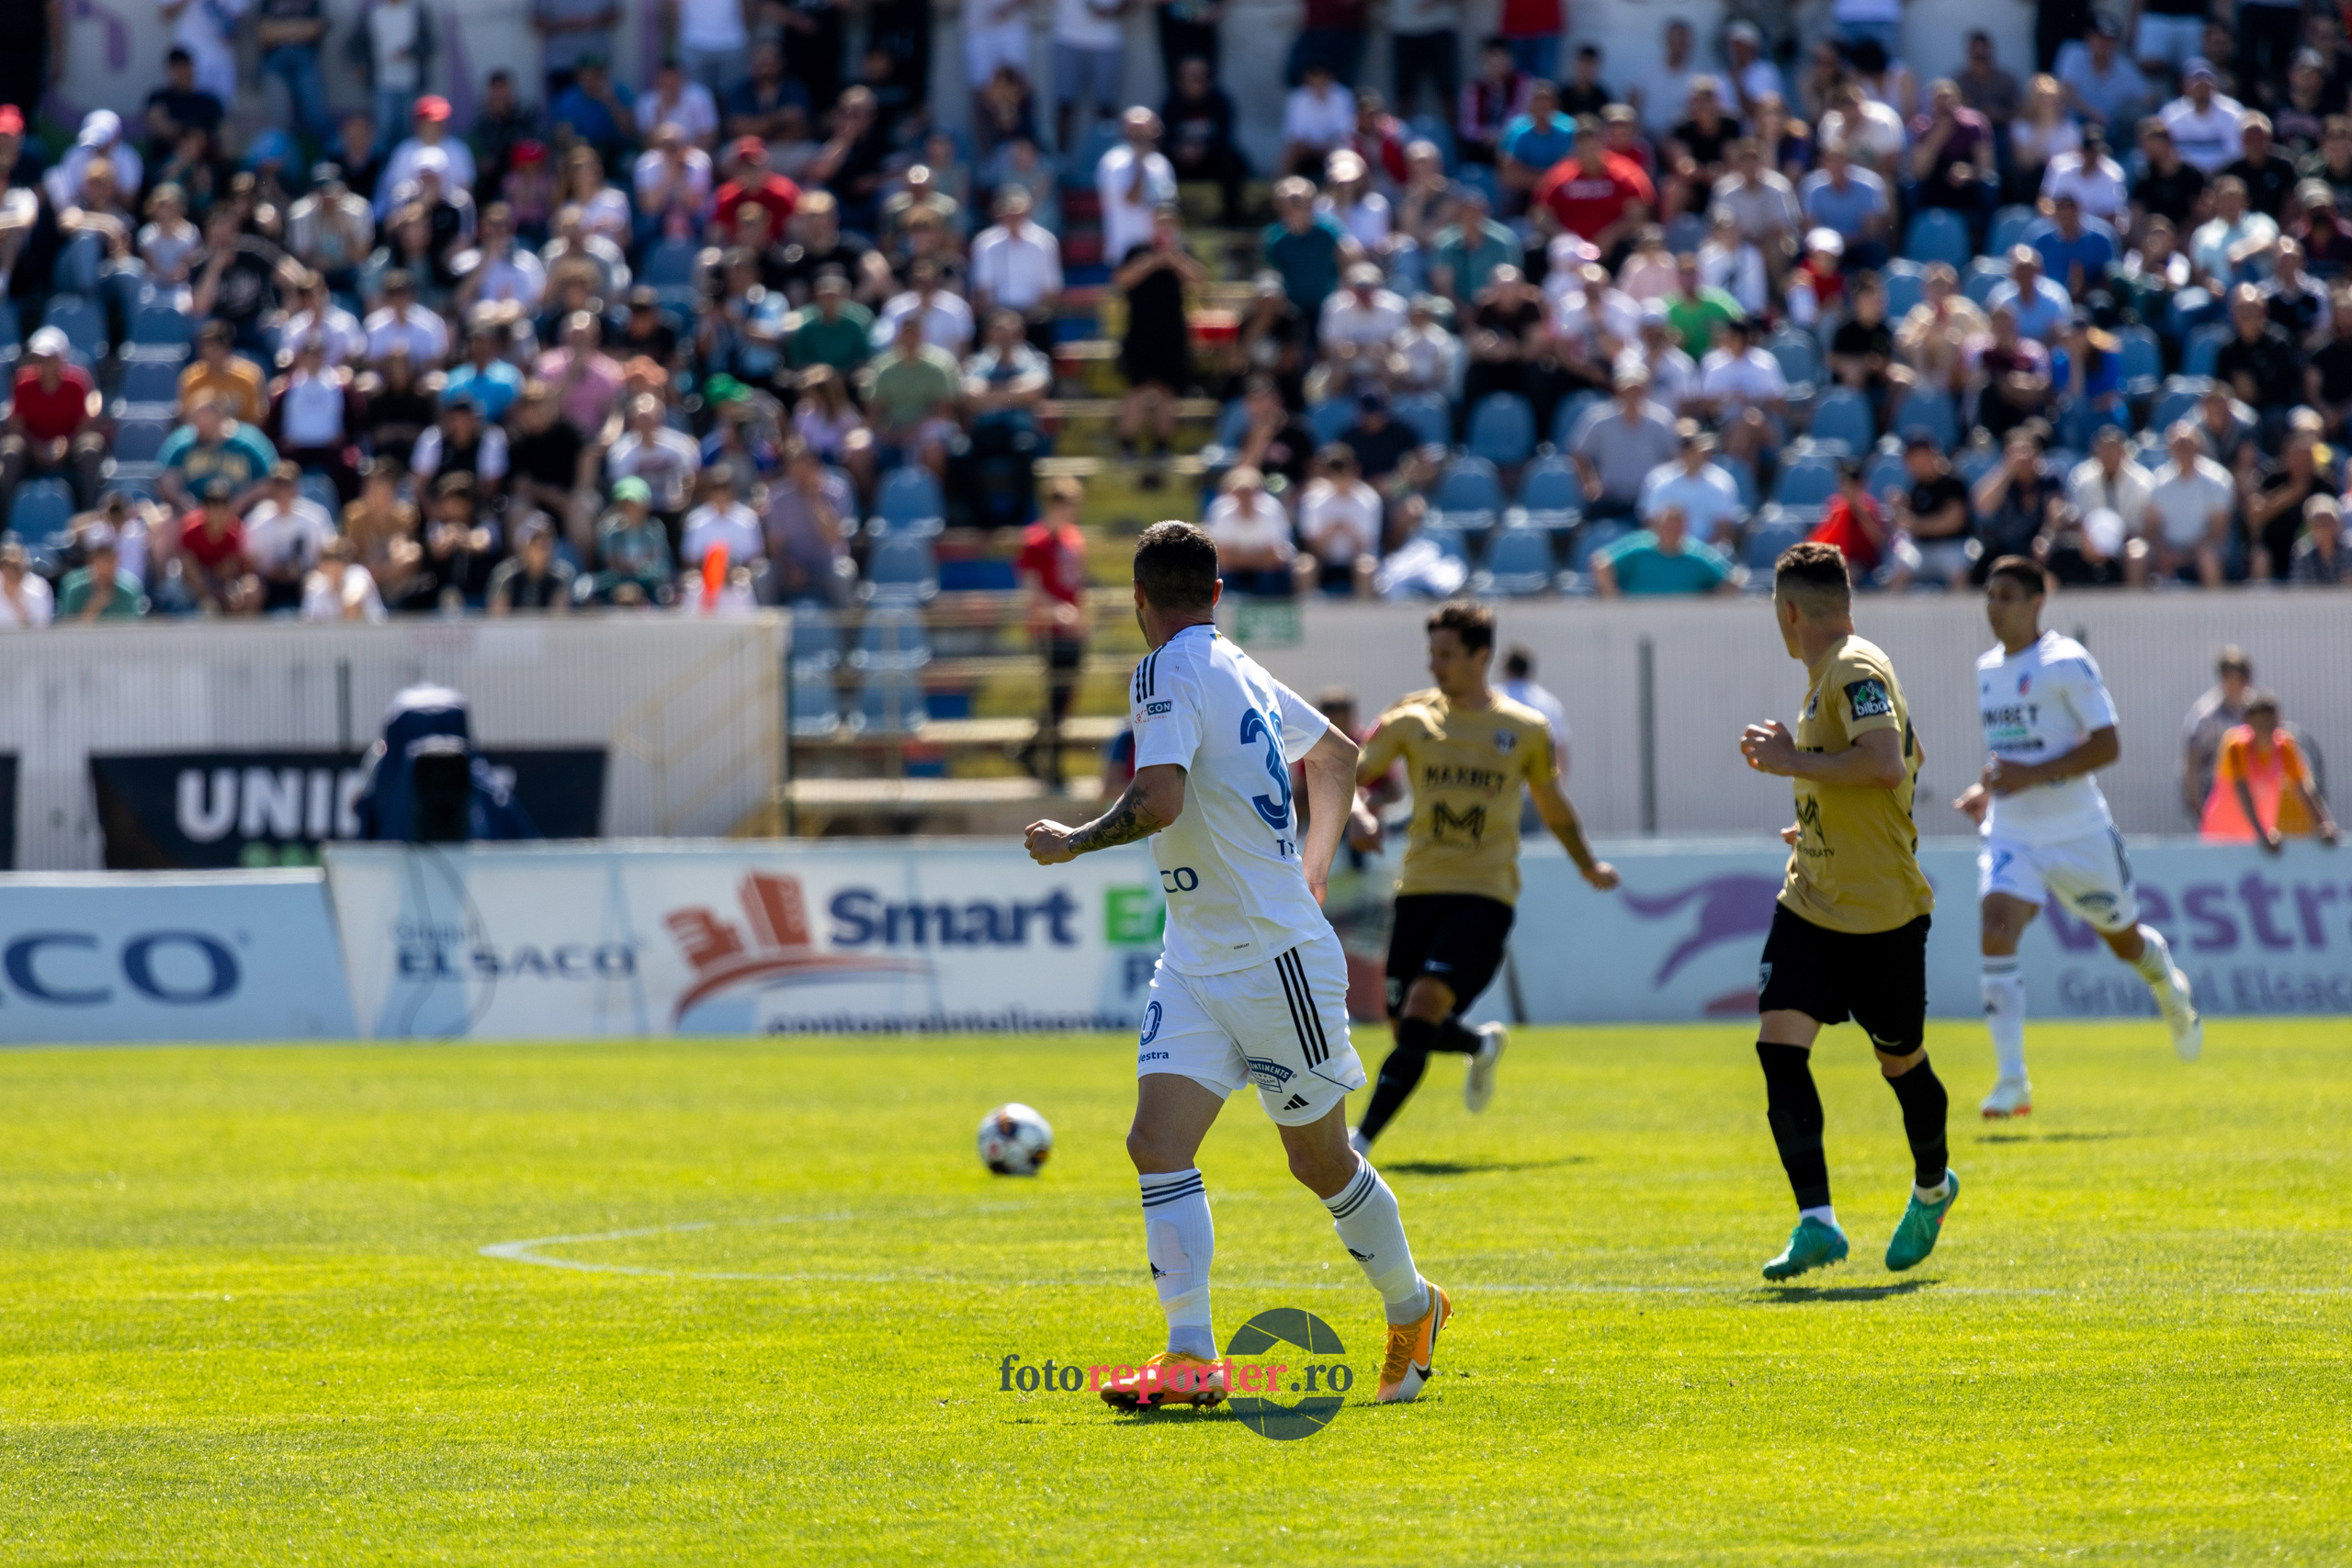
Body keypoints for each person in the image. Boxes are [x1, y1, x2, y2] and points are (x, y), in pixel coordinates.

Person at [1022, 521, 1450, 1410]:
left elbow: (1159, 798)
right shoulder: (1239, 666)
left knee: (1320, 1163)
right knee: (1156, 1143)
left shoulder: (1163, 669)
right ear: (1217, 595)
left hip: (1268, 955)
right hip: (1197, 955)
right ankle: (1190, 1355)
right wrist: (1316, 867)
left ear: (1138, 600)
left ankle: (1414, 1307)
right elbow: (1337, 755)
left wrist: (1074, 840)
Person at [1736, 540, 1953, 1282]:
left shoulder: (1855, 667)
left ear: (1789, 610)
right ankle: (1817, 1222)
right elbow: (1894, 764)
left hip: (1881, 914)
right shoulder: (1826, 677)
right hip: (1811, 900)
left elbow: (1885, 762)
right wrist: (1817, 821)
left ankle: (1934, 1188)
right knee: (1778, 1047)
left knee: (1901, 1062)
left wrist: (1792, 762)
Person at [1346, 600, 1617, 1150]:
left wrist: (1587, 863)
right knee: (1406, 1026)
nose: (1434, 664)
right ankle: (1479, 1045)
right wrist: (1358, 814)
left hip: (1484, 895)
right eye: (1432, 653)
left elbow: (1553, 804)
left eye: (1446, 654)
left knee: (1423, 1005)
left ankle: (1361, 1143)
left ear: (1481, 656)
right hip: (1417, 891)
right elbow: (1349, 776)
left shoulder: (1524, 729)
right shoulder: (1410, 717)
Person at [1951, 557, 2204, 1118]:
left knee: (2124, 943)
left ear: (2037, 601)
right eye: (1989, 595)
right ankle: (2012, 1083)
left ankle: (2167, 985)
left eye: (2007, 595)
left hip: (2078, 832)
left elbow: (2108, 745)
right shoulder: (1986, 669)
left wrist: (2030, 776)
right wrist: (1986, 788)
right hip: (2013, 829)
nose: (1994, 606)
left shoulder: (2064, 660)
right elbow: (2011, 752)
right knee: (1995, 927)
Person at [1015, 476, 1091, 786]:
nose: (1068, 511)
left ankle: (1031, 752)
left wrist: (1080, 617)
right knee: (1056, 697)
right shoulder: (1034, 541)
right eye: (1064, 504)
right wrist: (1058, 612)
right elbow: (1031, 590)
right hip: (1049, 630)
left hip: (1071, 629)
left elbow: (1078, 584)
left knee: (1064, 699)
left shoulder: (1075, 539)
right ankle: (1048, 760)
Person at [2201, 691, 2341, 850]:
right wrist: (2261, 832)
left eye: (2270, 720)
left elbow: (2304, 788)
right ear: (2248, 721)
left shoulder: (2285, 746)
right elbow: (2242, 790)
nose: (2266, 727)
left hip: (2260, 840)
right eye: (2260, 721)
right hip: (2221, 836)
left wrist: (2325, 825)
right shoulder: (2236, 747)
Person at [1591, 502, 1736, 594]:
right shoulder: (1640, 549)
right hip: (1639, 622)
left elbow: (1734, 580)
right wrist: (1615, 605)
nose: (1672, 531)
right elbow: (1601, 563)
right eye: (1668, 526)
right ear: (1658, 526)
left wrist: (1710, 608)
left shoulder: (1696, 555)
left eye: (1677, 527)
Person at [2180, 646, 2255, 821]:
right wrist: (2199, 809)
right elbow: (2191, 764)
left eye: (2241, 676)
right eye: (2229, 676)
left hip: (2248, 792)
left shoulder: (2253, 710)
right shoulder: (2207, 716)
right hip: (2213, 794)